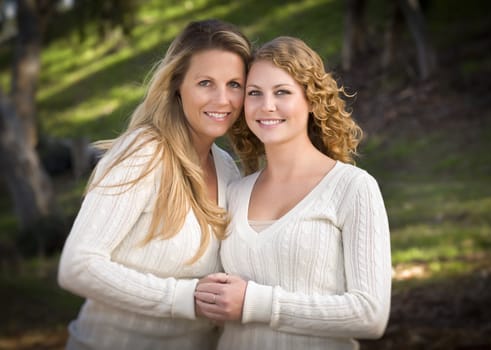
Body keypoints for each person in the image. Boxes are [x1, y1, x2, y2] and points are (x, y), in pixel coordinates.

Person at [57, 19, 251, 350]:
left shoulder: (227, 168)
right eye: (206, 82)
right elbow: (77, 266)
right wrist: (184, 298)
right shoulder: (144, 152)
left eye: (234, 84)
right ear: (178, 85)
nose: (223, 99)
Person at [194, 36, 392, 350]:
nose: (266, 106)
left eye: (282, 92)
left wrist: (254, 303)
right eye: (254, 93)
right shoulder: (234, 191)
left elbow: (370, 315)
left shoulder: (353, 188)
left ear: (312, 100)